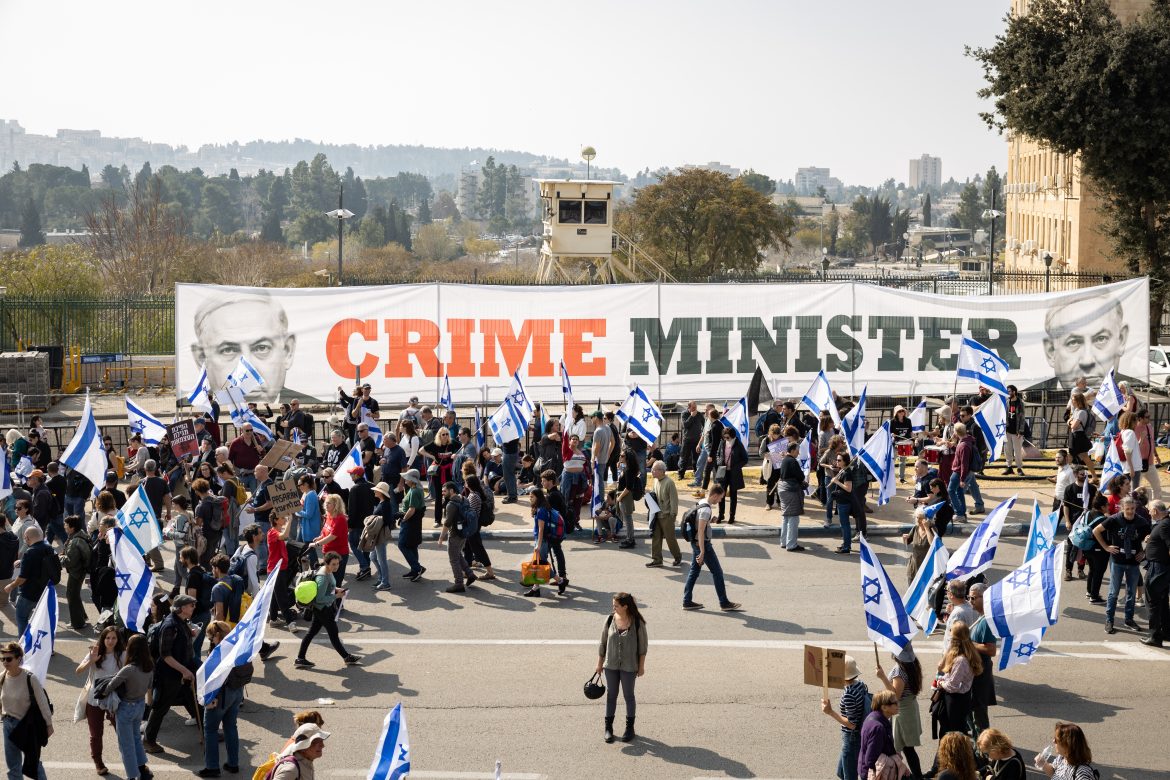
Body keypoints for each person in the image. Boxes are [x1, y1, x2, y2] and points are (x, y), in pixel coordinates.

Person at [189, 290, 300, 403]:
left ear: (287, 352)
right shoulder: (198, 408)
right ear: (202, 359)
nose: (247, 372)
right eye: (228, 350)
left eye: (262, 348)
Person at [1031, 292, 1130, 391]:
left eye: (1101, 339)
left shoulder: (1132, 388)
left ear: (1121, 339)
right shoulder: (1035, 393)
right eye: (1073, 343)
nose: (1087, 361)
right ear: (1051, 352)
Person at [142, 595, 200, 754]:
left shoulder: (180, 621)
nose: (193, 608)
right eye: (190, 605)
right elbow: (166, 655)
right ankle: (148, 740)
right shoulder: (170, 626)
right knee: (160, 707)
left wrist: (190, 633)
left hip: (182, 672)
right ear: (181, 608)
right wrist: (184, 671)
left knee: (191, 697)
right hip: (169, 675)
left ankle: (207, 730)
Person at [1092, 494, 1151, 634]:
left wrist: (1144, 552)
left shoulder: (1141, 522)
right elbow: (1096, 531)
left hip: (1133, 563)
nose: (1130, 511)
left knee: (1131, 593)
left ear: (1136, 508)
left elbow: (1152, 537)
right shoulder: (1114, 519)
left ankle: (1129, 619)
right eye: (1127, 509)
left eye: (1132, 508)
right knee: (1113, 593)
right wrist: (1106, 547)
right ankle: (1109, 620)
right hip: (1117, 561)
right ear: (1122, 508)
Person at [199, 621, 250, 777]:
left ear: (217, 635)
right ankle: (233, 764)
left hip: (221, 696)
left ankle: (212, 767)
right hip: (237, 692)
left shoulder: (219, 651)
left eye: (210, 636)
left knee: (210, 730)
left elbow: (214, 678)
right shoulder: (239, 646)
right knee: (230, 727)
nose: (209, 639)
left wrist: (210, 698)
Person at [595, 592, 647, 744]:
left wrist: (641, 666)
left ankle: (630, 728)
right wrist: (599, 664)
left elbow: (643, 647)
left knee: (628, 696)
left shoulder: (637, 622)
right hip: (610, 665)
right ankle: (608, 728)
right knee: (611, 695)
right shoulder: (610, 619)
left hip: (629, 666)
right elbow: (603, 643)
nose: (613, 608)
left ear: (625, 607)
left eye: (616, 605)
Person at [294, 552, 361, 669]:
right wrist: (337, 596)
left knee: (311, 633)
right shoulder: (323, 577)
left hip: (321, 609)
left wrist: (336, 589)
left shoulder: (327, 571)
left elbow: (329, 587)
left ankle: (300, 658)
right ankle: (347, 657)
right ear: (327, 563)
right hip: (323, 609)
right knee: (333, 634)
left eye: (337, 564)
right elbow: (320, 599)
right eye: (333, 564)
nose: (336, 566)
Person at [682, 484, 742, 612]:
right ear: (714, 495)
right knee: (718, 573)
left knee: (694, 571)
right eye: (720, 498)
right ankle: (724, 602)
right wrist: (703, 551)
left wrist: (711, 520)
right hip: (703, 545)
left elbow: (700, 523)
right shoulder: (706, 510)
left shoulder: (703, 502)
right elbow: (701, 531)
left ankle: (687, 601)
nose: (720, 501)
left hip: (697, 543)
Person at [104, 635, 155, 780]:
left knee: (126, 746)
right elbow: (150, 686)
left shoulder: (128, 669)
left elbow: (109, 686)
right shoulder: (149, 666)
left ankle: (132, 776)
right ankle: (143, 769)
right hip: (139, 705)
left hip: (126, 707)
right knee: (136, 739)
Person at [75, 626, 124, 776]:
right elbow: (78, 671)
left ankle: (132, 761)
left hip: (115, 699)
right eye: (107, 638)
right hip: (94, 699)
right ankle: (98, 763)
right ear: (103, 639)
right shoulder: (95, 652)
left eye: (113, 638)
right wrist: (91, 660)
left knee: (122, 732)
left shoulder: (122, 654)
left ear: (118, 639)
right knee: (96, 734)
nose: (110, 641)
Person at [875, 644, 924, 780]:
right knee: (908, 749)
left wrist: (883, 677)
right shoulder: (913, 664)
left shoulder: (899, 671)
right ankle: (915, 776)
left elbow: (895, 695)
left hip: (902, 712)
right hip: (910, 707)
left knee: (902, 749)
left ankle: (909, 776)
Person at [5, 524, 59, 637]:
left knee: (21, 617)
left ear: (27, 538)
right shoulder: (49, 548)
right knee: (42, 620)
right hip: (45, 591)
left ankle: (25, 644)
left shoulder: (30, 552)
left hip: (28, 594)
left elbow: (22, 578)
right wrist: (22, 562)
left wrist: (11, 586)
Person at [820, 655, 868, 780]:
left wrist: (830, 712)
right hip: (855, 736)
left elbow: (852, 724)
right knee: (841, 772)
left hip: (852, 738)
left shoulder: (849, 694)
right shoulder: (860, 684)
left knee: (849, 776)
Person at [934, 621, 981, 741]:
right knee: (950, 731)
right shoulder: (961, 654)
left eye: (951, 631)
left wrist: (940, 682)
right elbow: (951, 676)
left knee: (953, 733)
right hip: (959, 698)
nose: (949, 633)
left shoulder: (961, 660)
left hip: (956, 701)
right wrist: (943, 678)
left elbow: (953, 685)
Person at [967, 582, 998, 741]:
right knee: (972, 716)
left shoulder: (986, 621)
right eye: (968, 597)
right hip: (975, 674)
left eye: (973, 598)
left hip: (980, 676)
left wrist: (967, 643)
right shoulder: (981, 618)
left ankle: (985, 753)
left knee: (979, 719)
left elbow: (991, 650)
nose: (970, 601)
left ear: (984, 598)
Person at [438, 481, 477, 594]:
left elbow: (447, 523)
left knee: (453, 559)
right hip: (463, 533)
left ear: (451, 491)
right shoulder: (463, 499)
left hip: (455, 535)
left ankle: (459, 583)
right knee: (458, 555)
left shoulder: (451, 504)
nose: (443, 493)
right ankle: (470, 574)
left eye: (445, 491)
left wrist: (441, 538)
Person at [1144, 499, 1170, 647]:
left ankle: (1154, 636)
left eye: (1149, 510)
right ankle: (1166, 631)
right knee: (1162, 602)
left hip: (1158, 569)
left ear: (1155, 511)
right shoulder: (1164, 524)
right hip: (1161, 568)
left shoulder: (1165, 525)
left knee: (1153, 602)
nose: (1148, 512)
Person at [858, 690, 901, 780]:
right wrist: (892, 761)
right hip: (875, 774)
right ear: (884, 707)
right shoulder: (878, 728)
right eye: (895, 703)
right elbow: (870, 760)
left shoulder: (874, 717)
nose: (898, 704)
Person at [461, 474, 497, 581]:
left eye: (466, 482)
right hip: (473, 526)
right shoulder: (475, 494)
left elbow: (471, 513)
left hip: (472, 526)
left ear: (469, 484)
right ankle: (466, 571)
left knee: (478, 549)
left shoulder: (473, 496)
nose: (464, 484)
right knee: (467, 547)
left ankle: (490, 572)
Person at [309, 493, 350, 585]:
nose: (326, 505)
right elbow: (325, 531)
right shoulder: (329, 515)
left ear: (336, 505)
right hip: (327, 553)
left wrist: (317, 544)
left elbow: (332, 536)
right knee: (327, 580)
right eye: (326, 502)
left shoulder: (340, 519)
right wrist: (319, 538)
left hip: (338, 554)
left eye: (329, 503)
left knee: (335, 582)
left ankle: (336, 598)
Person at [646, 460, 682, 567]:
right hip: (657, 514)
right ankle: (657, 559)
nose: (652, 472)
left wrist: (673, 515)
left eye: (654, 470)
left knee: (670, 538)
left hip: (667, 516)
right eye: (652, 470)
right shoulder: (656, 481)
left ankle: (677, 557)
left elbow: (674, 500)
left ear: (661, 471)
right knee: (656, 538)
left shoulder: (669, 482)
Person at [345, 466, 376, 581]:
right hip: (370, 521)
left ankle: (364, 566)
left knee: (353, 543)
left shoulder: (355, 489)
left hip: (357, 523)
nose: (350, 476)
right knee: (366, 546)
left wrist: (350, 525)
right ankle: (365, 568)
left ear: (357, 475)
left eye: (352, 474)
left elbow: (352, 509)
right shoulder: (372, 486)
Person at [61, 513, 92, 630]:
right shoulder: (81, 534)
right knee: (75, 595)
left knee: (71, 595)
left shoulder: (74, 541)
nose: (64, 526)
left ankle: (77, 623)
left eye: (66, 525)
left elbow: (69, 561)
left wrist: (59, 558)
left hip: (76, 572)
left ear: (72, 527)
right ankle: (82, 618)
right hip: (81, 570)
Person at [714, 426, 748, 524]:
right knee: (721, 494)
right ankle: (721, 514)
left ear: (732, 436)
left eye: (727, 437)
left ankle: (732, 516)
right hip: (723, 472)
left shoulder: (738, 444)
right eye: (724, 437)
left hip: (734, 473)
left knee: (733, 495)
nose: (726, 439)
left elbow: (745, 459)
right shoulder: (722, 442)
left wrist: (736, 467)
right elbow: (718, 454)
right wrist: (719, 462)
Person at [776, 441, 806, 552]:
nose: (798, 453)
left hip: (783, 489)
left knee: (786, 517)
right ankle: (791, 544)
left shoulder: (785, 460)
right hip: (791, 490)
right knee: (793, 518)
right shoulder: (792, 461)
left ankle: (784, 542)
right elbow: (801, 476)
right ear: (793, 450)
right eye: (797, 451)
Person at [397, 470, 426, 581]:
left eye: (407, 477)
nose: (405, 479)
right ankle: (415, 570)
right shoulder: (417, 489)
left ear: (412, 480)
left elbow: (412, 509)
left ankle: (417, 568)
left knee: (402, 545)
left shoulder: (414, 491)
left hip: (410, 522)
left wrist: (403, 519)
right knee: (412, 545)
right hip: (415, 522)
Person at [615, 451, 643, 549]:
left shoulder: (629, 470)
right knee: (627, 518)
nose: (620, 457)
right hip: (624, 496)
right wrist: (619, 462)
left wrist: (620, 497)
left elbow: (628, 487)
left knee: (628, 519)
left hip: (625, 497)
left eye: (622, 456)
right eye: (620, 455)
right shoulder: (627, 468)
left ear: (627, 458)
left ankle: (630, 540)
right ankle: (629, 538)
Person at [828, 453, 855, 554]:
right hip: (841, 501)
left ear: (845, 461)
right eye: (837, 460)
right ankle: (845, 544)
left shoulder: (847, 472)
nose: (837, 462)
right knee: (843, 524)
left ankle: (846, 547)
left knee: (845, 525)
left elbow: (848, 488)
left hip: (844, 502)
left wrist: (837, 482)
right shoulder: (842, 470)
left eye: (839, 460)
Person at [942, 580, 979, 650]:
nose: (946, 593)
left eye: (946, 590)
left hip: (955, 654)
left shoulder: (957, 614)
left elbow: (953, 639)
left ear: (951, 595)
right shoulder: (972, 606)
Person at [679, 401, 704, 481]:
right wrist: (692, 416)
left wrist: (702, 433)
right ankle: (681, 474)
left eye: (695, 407)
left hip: (697, 440)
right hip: (687, 440)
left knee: (696, 458)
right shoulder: (684, 414)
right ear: (689, 407)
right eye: (693, 408)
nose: (695, 409)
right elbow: (685, 425)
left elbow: (705, 424)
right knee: (684, 458)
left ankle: (696, 474)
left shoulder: (699, 414)